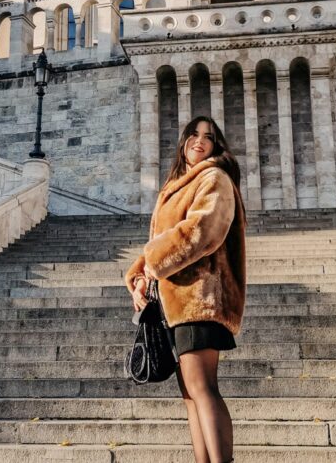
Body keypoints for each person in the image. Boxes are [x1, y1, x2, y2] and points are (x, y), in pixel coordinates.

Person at [125, 116, 247, 463]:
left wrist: (152, 265)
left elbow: (201, 231)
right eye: (193, 135)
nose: (199, 140)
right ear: (183, 143)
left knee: (202, 388)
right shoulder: (178, 185)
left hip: (200, 297)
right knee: (191, 395)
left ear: (216, 145)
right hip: (176, 302)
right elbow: (162, 241)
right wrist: (141, 275)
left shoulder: (214, 177)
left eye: (208, 136)